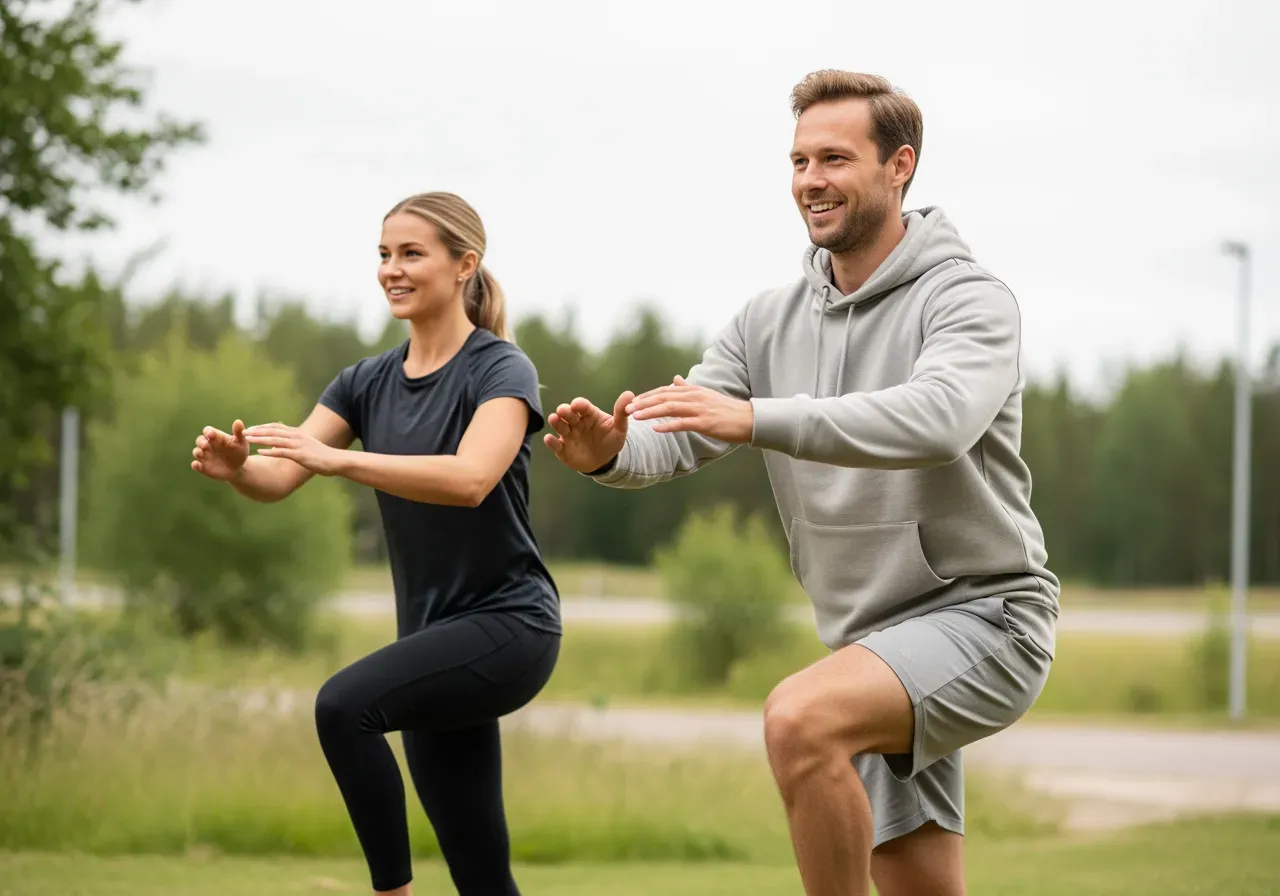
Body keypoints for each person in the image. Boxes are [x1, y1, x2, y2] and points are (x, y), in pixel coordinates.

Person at [543, 70, 1058, 896]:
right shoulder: (765, 321)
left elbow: (937, 420)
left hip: (989, 619)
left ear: (900, 166)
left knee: (800, 719)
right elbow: (677, 434)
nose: (810, 180)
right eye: (798, 161)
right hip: (872, 647)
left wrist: (759, 418)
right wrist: (608, 450)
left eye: (834, 158)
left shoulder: (971, 300)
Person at [190, 191, 561, 896]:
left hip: (511, 627)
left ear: (464, 266)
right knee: (484, 878)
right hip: (433, 636)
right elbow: (277, 478)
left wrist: (341, 461)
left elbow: (471, 478)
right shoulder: (364, 382)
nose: (392, 269)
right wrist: (240, 470)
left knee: (343, 706)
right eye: (384, 254)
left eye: (411, 253)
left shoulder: (499, 370)